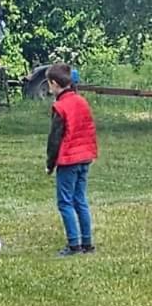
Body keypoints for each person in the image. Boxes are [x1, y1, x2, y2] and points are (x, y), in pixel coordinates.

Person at [45, 64, 99, 256]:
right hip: (86, 157)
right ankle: (87, 244)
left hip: (69, 160)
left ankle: (73, 245)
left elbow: (54, 139)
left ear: (54, 84)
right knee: (80, 200)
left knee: (65, 202)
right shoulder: (82, 101)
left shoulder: (60, 106)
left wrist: (50, 164)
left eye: (49, 84)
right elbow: (90, 129)